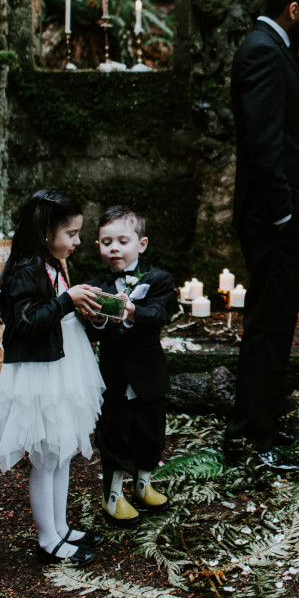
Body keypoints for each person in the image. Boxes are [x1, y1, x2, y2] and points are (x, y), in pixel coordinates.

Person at [225, 0, 299, 473]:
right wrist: (285, 211)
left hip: (278, 215)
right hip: (272, 218)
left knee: (274, 321)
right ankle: (253, 439)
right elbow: (263, 143)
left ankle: (256, 421)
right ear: (293, 9)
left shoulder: (273, 48)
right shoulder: (264, 52)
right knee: (268, 324)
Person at [0, 188, 107, 565]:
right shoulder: (27, 268)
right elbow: (25, 324)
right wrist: (66, 301)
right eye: (71, 233)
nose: (77, 241)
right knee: (46, 458)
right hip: (40, 373)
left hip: (63, 365)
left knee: (62, 453)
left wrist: (82, 309)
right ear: (45, 233)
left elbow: (56, 312)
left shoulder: (54, 264)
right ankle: (47, 539)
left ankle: (61, 527)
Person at [76, 205, 177, 527]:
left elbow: (159, 315)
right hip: (113, 376)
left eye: (122, 240)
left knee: (151, 431)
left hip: (148, 373)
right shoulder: (93, 287)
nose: (114, 248)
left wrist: (131, 311)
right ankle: (113, 494)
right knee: (116, 434)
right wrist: (92, 319)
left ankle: (144, 484)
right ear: (98, 247)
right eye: (106, 242)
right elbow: (91, 333)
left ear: (141, 244)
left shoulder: (159, 279)